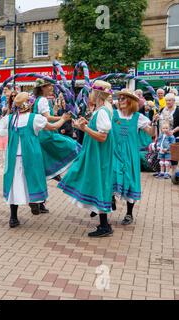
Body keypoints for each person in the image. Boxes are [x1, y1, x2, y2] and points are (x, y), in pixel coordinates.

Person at [0, 92, 71, 228]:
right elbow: (53, 127)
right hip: (32, 156)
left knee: (15, 185)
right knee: (33, 179)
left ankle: (13, 217)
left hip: (14, 158)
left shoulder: (9, 119)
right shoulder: (35, 118)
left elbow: (1, 132)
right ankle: (35, 202)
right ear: (29, 105)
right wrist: (63, 118)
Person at [58, 81, 115, 238]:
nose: (88, 94)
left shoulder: (103, 111)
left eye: (90, 92)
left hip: (99, 155)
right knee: (98, 184)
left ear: (96, 94)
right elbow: (99, 130)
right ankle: (104, 224)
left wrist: (84, 128)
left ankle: (104, 226)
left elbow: (103, 136)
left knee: (99, 185)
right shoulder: (101, 110)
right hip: (97, 154)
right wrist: (85, 124)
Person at [33, 79, 82, 214]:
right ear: (43, 88)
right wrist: (63, 117)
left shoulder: (39, 100)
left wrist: (60, 115)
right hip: (46, 135)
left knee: (42, 170)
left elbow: (46, 116)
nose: (51, 88)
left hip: (41, 135)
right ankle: (61, 171)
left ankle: (40, 202)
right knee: (73, 146)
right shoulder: (42, 100)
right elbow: (47, 118)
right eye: (49, 86)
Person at [111, 89, 155, 226]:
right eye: (120, 98)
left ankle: (129, 213)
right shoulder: (112, 114)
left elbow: (151, 133)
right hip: (114, 151)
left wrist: (154, 123)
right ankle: (110, 199)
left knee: (130, 180)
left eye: (124, 98)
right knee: (111, 175)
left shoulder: (138, 117)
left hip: (130, 154)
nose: (120, 101)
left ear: (130, 101)